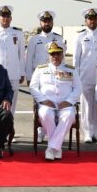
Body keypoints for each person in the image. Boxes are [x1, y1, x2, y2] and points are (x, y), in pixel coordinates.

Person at [29, 42, 80, 161]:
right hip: (47, 104)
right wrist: (43, 100)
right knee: (45, 114)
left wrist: (68, 101)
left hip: (65, 104)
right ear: (48, 55)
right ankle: (57, 148)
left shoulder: (71, 70)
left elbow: (78, 88)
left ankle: (51, 148)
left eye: (58, 53)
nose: (55, 56)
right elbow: (33, 87)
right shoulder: (40, 69)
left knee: (69, 115)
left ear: (63, 55)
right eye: (52, 54)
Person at [24, 9, 67, 143]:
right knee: (40, 105)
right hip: (39, 77)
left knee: (55, 104)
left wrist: (64, 77)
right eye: (44, 21)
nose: (47, 23)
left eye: (49, 21)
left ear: (52, 22)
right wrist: (29, 77)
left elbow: (63, 59)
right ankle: (40, 132)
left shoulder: (59, 38)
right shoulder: (34, 39)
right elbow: (29, 59)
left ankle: (53, 132)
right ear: (40, 23)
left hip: (55, 77)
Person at [0, 5, 25, 141]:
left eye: (7, 16)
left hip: (13, 73)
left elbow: (21, 55)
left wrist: (22, 72)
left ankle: (8, 131)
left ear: (11, 18)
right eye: (3, 16)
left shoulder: (18, 33)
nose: (5, 19)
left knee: (11, 104)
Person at [73, 7, 97, 143]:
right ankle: (88, 132)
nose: (92, 21)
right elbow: (76, 59)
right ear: (85, 21)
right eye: (90, 19)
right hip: (85, 75)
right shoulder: (80, 36)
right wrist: (76, 77)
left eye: (94, 19)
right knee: (87, 105)